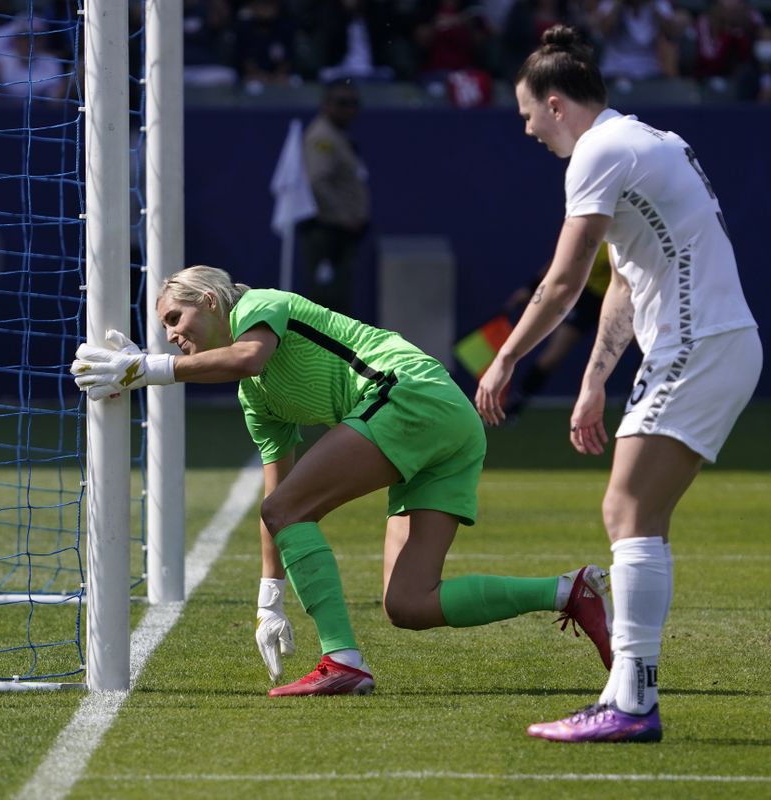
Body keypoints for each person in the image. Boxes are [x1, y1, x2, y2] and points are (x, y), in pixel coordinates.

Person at [71, 265, 612, 697]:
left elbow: (248, 357)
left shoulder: (257, 306)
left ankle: (342, 660)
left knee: (290, 511)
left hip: (409, 395)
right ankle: (570, 591)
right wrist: (269, 601)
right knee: (409, 603)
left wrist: (149, 370)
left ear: (209, 302)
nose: (170, 334)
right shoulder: (253, 397)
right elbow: (276, 493)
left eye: (174, 317)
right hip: (448, 424)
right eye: (164, 329)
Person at [476, 24, 761, 742]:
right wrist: (594, 381)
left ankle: (632, 705)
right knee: (636, 516)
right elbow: (625, 283)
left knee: (626, 510)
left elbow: (564, 281)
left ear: (556, 103)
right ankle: (627, 692)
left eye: (529, 115)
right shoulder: (644, 142)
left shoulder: (597, 151)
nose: (529, 130)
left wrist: (506, 357)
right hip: (711, 344)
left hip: (700, 345)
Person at [500, 243, 613, 420]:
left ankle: (638, 400)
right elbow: (560, 263)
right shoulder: (596, 229)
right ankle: (516, 402)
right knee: (553, 356)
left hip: (623, 300)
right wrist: (530, 289)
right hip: (588, 298)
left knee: (647, 348)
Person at [298, 80, 370, 318]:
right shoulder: (323, 137)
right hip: (328, 232)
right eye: (341, 103)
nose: (348, 109)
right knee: (328, 302)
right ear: (326, 104)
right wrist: (345, 217)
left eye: (353, 104)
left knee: (339, 299)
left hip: (341, 233)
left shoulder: (338, 136)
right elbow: (318, 182)